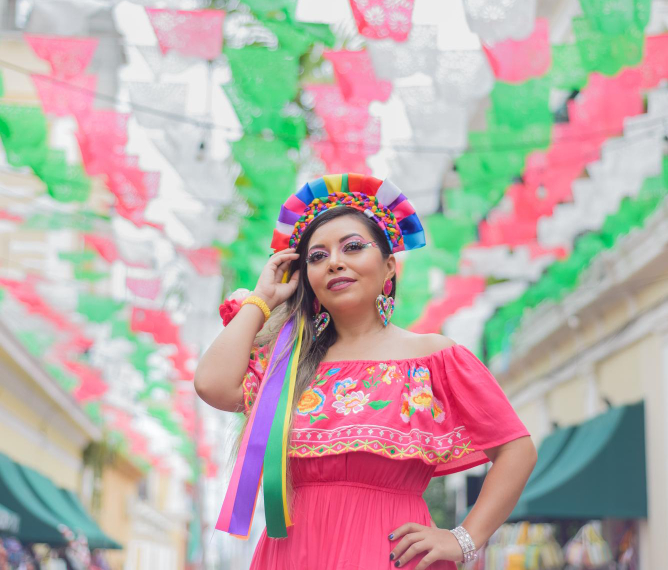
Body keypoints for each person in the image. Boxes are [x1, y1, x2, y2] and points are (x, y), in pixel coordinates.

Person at [196, 174, 537, 569]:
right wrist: (262, 299)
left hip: (389, 553)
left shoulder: (434, 357)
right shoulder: (287, 367)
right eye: (317, 256)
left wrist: (464, 538)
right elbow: (211, 384)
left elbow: (516, 449)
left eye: (353, 247)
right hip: (292, 556)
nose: (335, 261)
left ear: (389, 266)